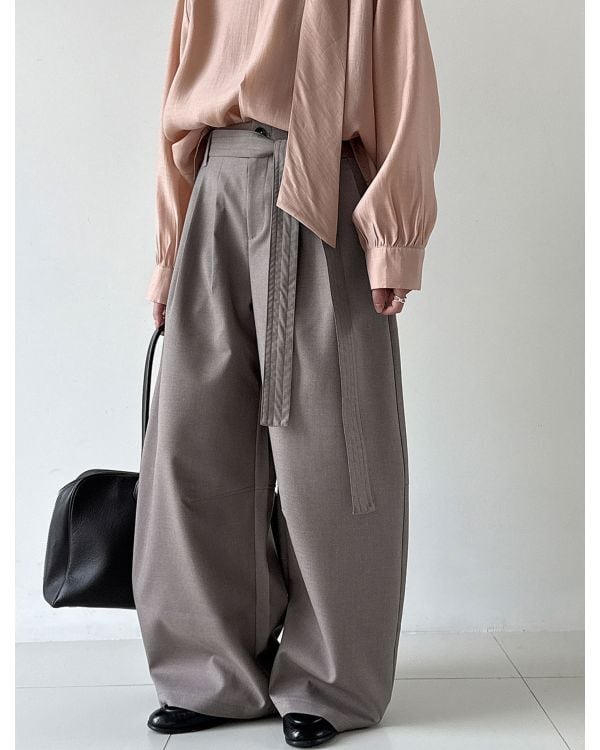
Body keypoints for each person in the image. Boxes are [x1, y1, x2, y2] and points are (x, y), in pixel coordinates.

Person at [132, 1, 440, 747]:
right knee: (193, 445)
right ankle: (212, 673)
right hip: (215, 183)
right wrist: (169, 253)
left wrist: (393, 240)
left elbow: (404, 82)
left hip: (321, 183)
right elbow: (179, 96)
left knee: (336, 451)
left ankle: (331, 680)